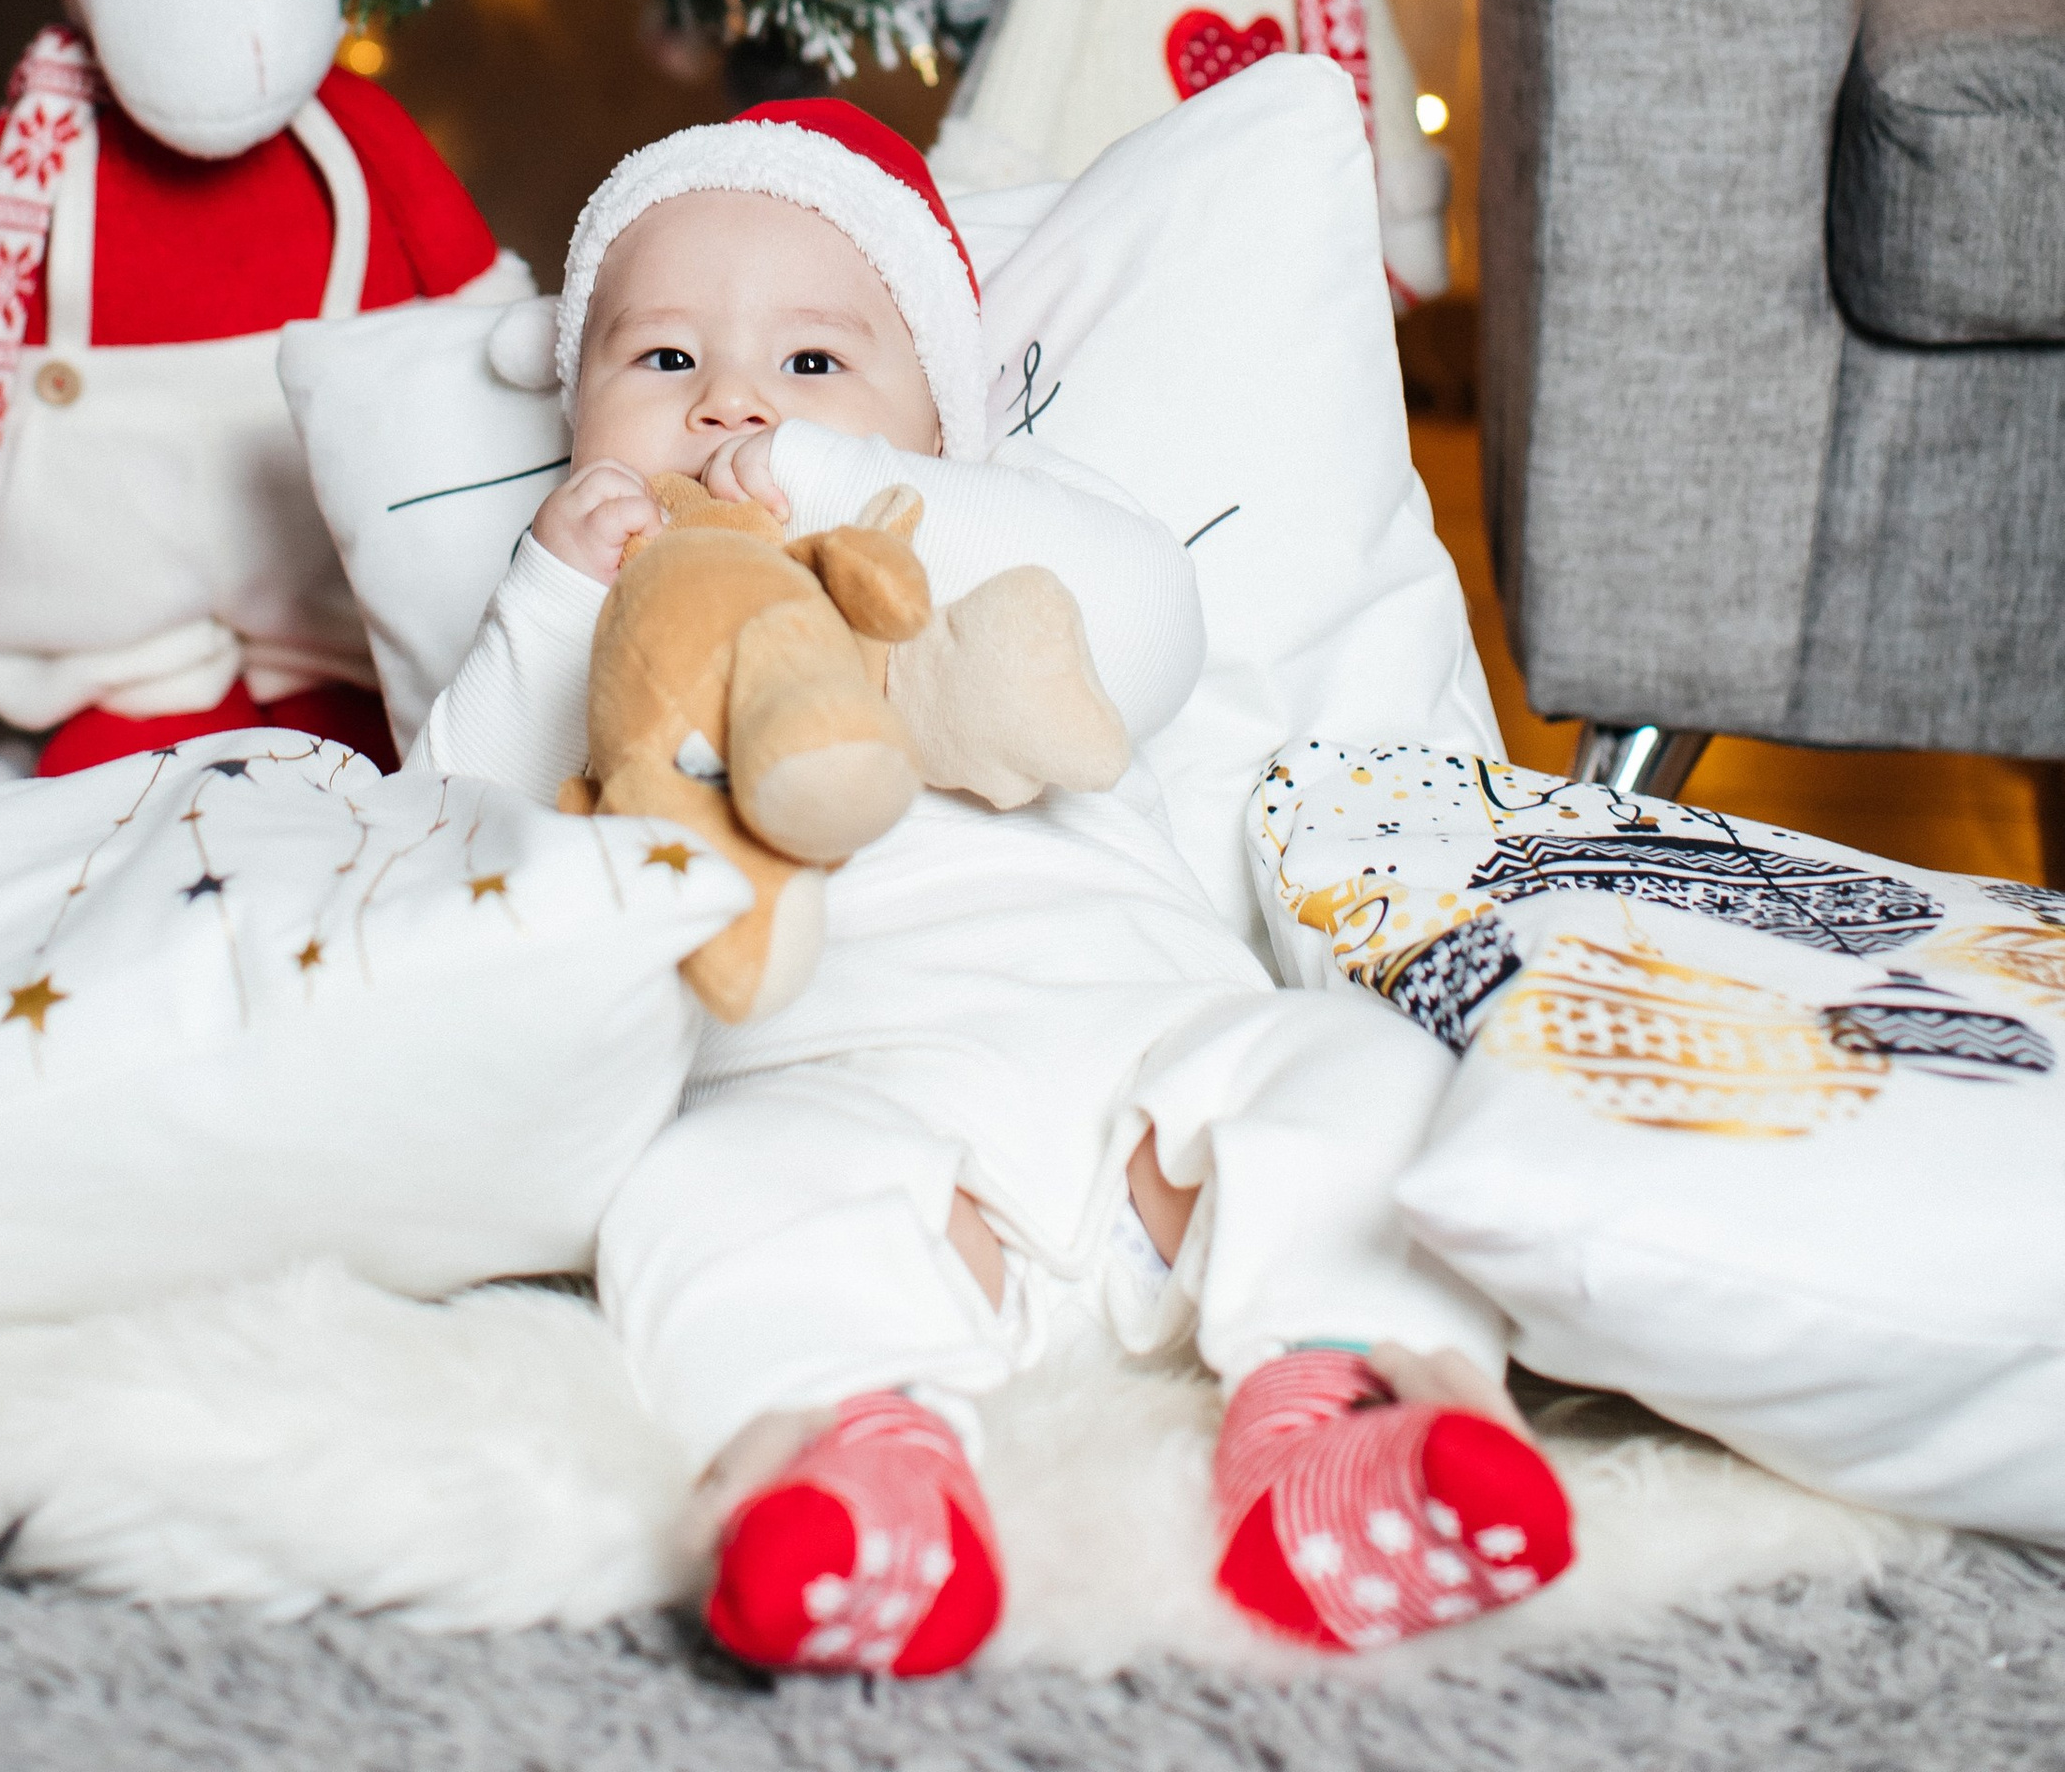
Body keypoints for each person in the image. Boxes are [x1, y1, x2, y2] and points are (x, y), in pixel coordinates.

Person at [424, 101, 1571, 1674]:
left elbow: (1147, 625)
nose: (734, 402)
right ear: (577, 416)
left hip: (1153, 1071)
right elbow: (464, 851)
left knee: (1363, 1080)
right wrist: (555, 596)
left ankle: (1344, 1406)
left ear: (940, 424)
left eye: (813, 365)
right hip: (844, 1098)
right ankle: (855, 1459)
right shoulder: (616, 629)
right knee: (697, 1200)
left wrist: (835, 479)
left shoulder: (984, 545)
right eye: (664, 361)